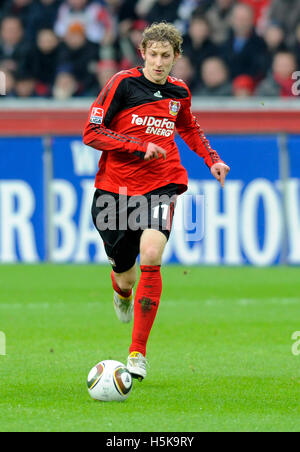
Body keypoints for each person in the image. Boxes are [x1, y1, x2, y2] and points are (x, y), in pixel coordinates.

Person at [82, 22, 230, 381]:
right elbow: (92, 131)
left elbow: (189, 128)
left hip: (162, 183)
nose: (160, 62)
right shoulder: (122, 84)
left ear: (176, 57)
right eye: (154, 55)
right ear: (142, 53)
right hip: (115, 190)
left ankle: (137, 353)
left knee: (152, 253)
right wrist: (136, 146)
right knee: (125, 273)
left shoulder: (179, 92)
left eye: (167, 56)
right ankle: (121, 292)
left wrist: (211, 159)